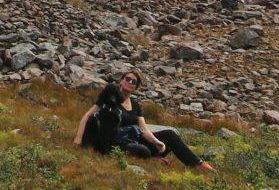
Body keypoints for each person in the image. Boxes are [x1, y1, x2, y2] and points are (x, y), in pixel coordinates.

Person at [73, 71, 209, 171]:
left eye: (134, 82)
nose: (130, 82)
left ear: (136, 88)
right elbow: (88, 116)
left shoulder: (135, 105)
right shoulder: (110, 97)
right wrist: (78, 139)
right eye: (127, 79)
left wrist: (157, 142)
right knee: (141, 150)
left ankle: (198, 164)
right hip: (115, 142)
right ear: (121, 80)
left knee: (169, 135)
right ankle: (151, 158)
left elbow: (143, 129)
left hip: (134, 138)